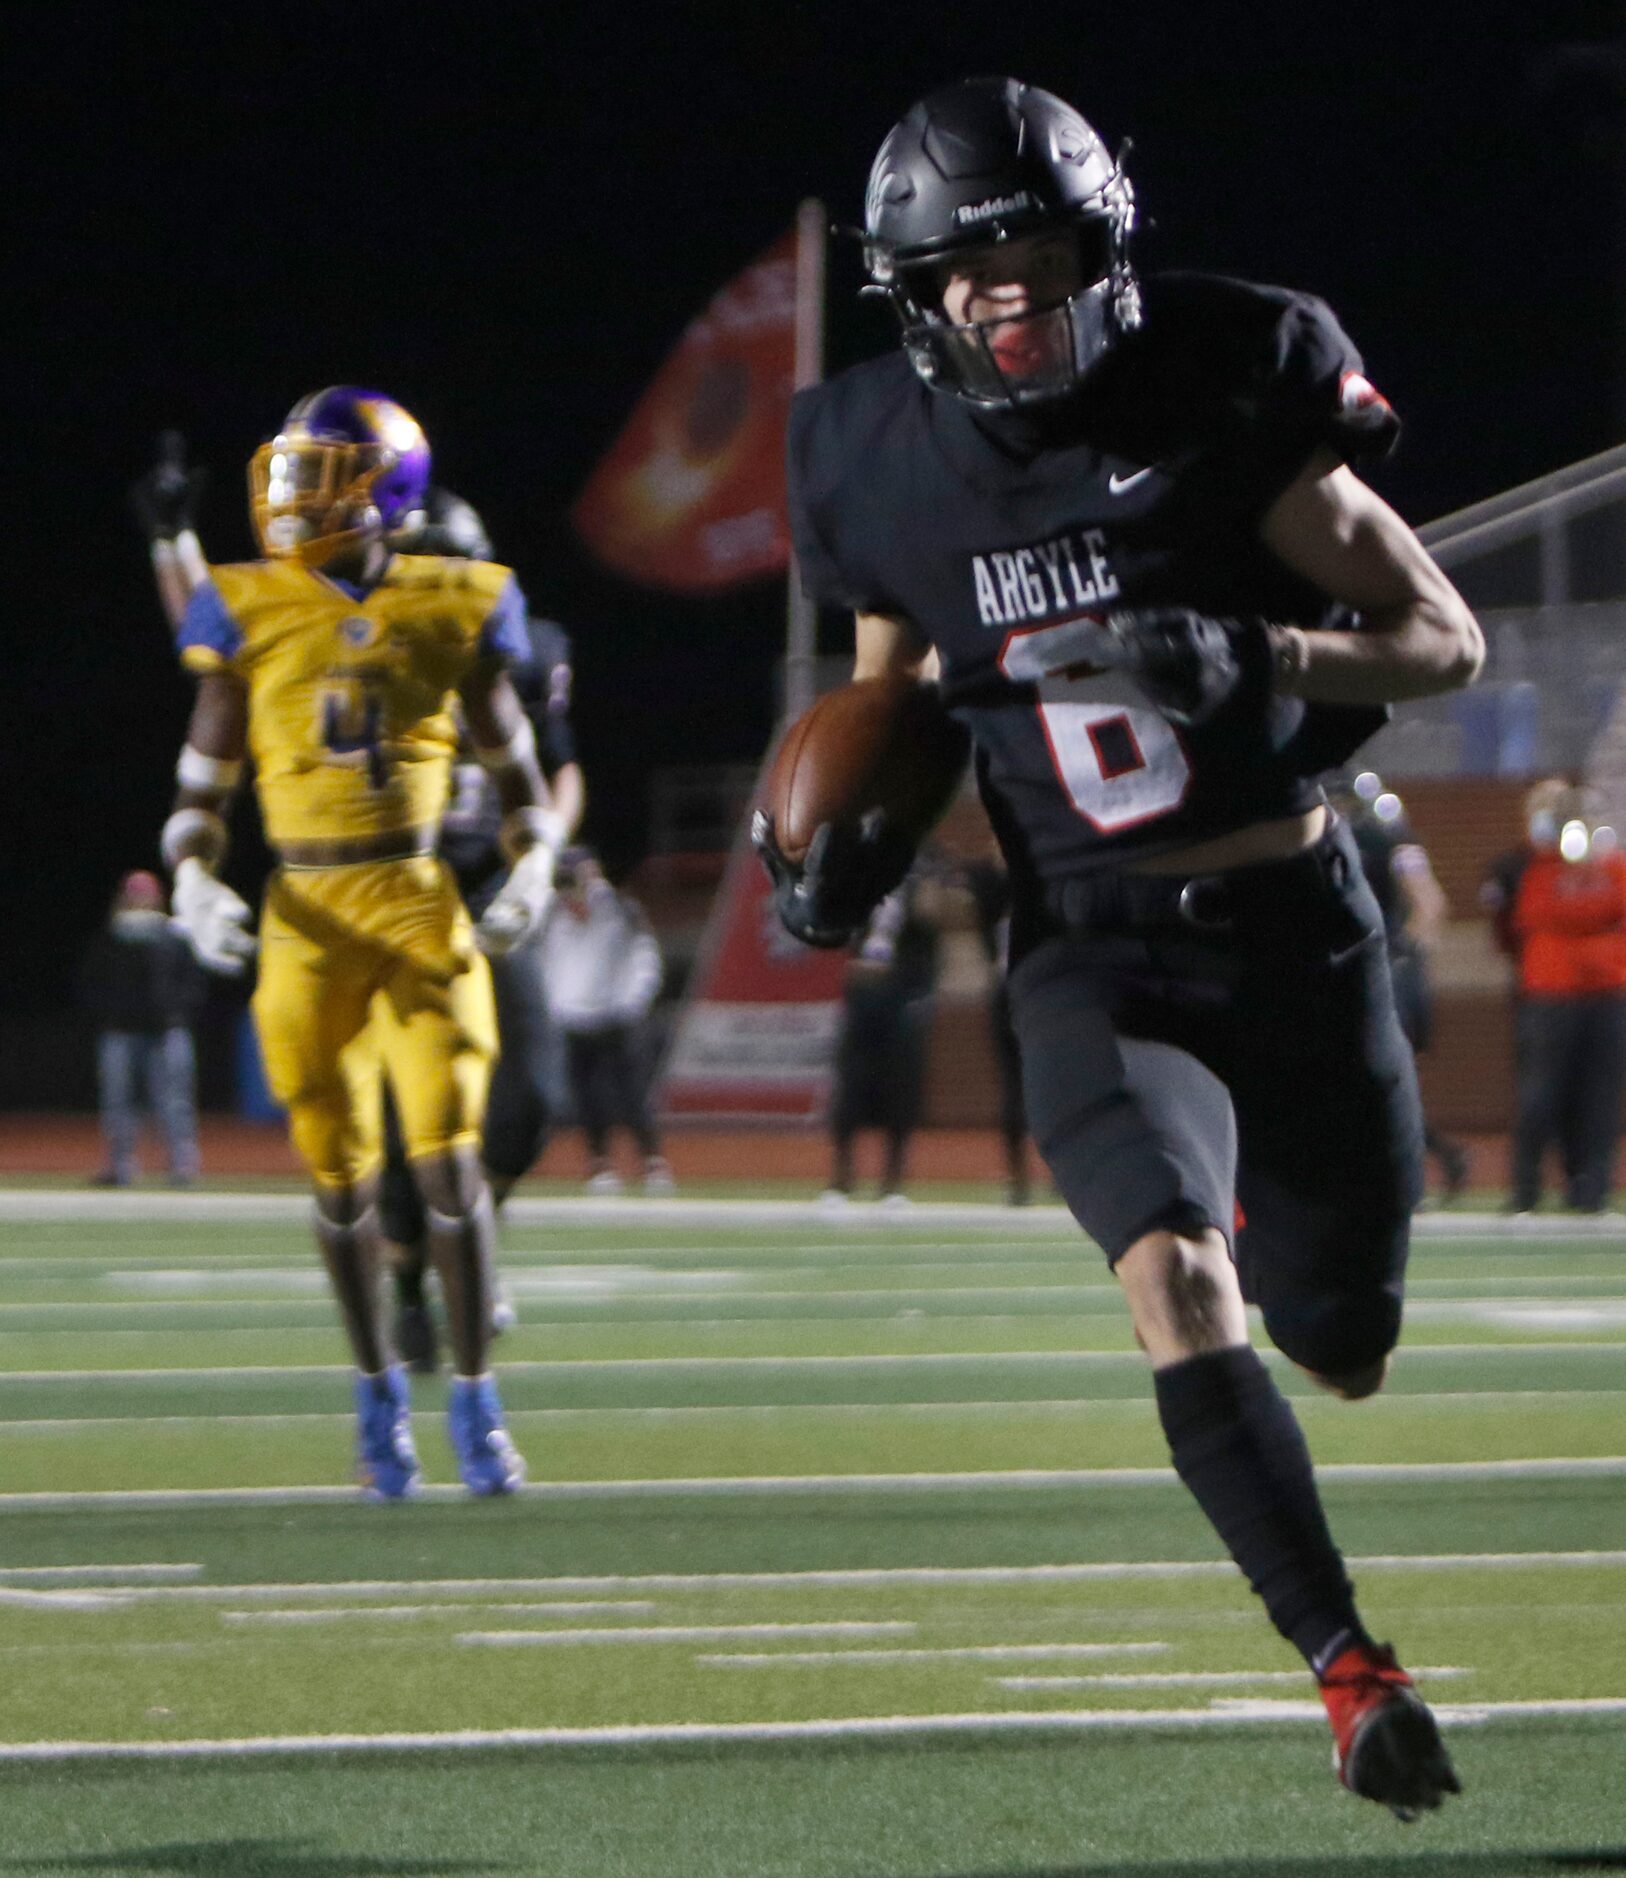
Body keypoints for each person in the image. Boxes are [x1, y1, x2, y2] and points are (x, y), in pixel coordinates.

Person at [755, 78, 1482, 1817]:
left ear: (1105, 246)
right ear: (914, 297)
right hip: (1087, 941)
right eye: (971, 272)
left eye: (1040, 252)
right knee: (1174, 1276)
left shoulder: (1232, 372)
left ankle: (1293, 1280)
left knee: (1345, 1338)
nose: (1011, 294)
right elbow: (894, 687)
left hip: (1297, 929)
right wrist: (839, 837)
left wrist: (1258, 654)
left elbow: (1439, 640)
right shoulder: (864, 450)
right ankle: (1346, 1662)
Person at [158, 386, 562, 1498]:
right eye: (292, 468)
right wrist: (191, 876)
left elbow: (521, 780)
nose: (292, 491)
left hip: (419, 903)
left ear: (389, 487)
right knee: (338, 1177)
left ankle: (475, 1399)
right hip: (307, 912)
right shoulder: (243, 606)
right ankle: (377, 1389)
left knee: (451, 1163)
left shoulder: (456, 600)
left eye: (322, 470)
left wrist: (534, 863)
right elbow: (203, 785)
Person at [1338, 774, 1469, 1201]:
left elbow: (1429, 903)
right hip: (1390, 968)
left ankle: (1407, 1176)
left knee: (1374, 1080)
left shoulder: (1369, 839)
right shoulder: (1390, 837)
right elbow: (1431, 906)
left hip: (1375, 971)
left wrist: (1398, 952)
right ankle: (1433, 1160)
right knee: (1377, 1081)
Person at [1501, 785, 1626, 1212]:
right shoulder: (1536, 864)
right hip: (1550, 993)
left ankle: (1590, 1192)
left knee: (1600, 1096)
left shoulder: (1614, 864)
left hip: (1606, 992)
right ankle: (1525, 1193)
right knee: (1539, 1096)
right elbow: (1527, 916)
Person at [540, 847, 670, 1193]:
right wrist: (555, 1005)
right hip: (574, 1017)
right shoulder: (553, 913)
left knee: (633, 1092)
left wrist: (635, 1000)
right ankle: (600, 1162)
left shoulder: (619, 909)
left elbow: (645, 955)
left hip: (618, 1014)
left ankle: (652, 1160)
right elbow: (546, 962)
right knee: (588, 1096)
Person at [823, 863, 942, 1208]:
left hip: (903, 992)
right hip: (863, 993)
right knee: (850, 1085)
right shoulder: (863, 872)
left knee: (900, 1087)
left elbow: (935, 913)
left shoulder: (923, 871)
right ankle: (842, 1177)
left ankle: (892, 1180)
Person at [79, 870, 205, 1187]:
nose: (139, 900)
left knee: (174, 1101)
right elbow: (90, 983)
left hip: (166, 1032)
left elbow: (193, 984)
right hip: (120, 1032)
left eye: (144, 894)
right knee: (118, 1101)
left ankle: (181, 1166)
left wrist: (172, 1010)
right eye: (134, 894)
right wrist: (109, 1012)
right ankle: (120, 1166)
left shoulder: (172, 938)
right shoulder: (111, 939)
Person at [962, 847, 1032, 1204]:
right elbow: (974, 887)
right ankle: (1018, 1177)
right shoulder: (991, 885)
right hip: (1007, 994)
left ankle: (1057, 1175)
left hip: (1039, 991)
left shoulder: (1037, 877)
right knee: (1012, 1088)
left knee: (1049, 1086)